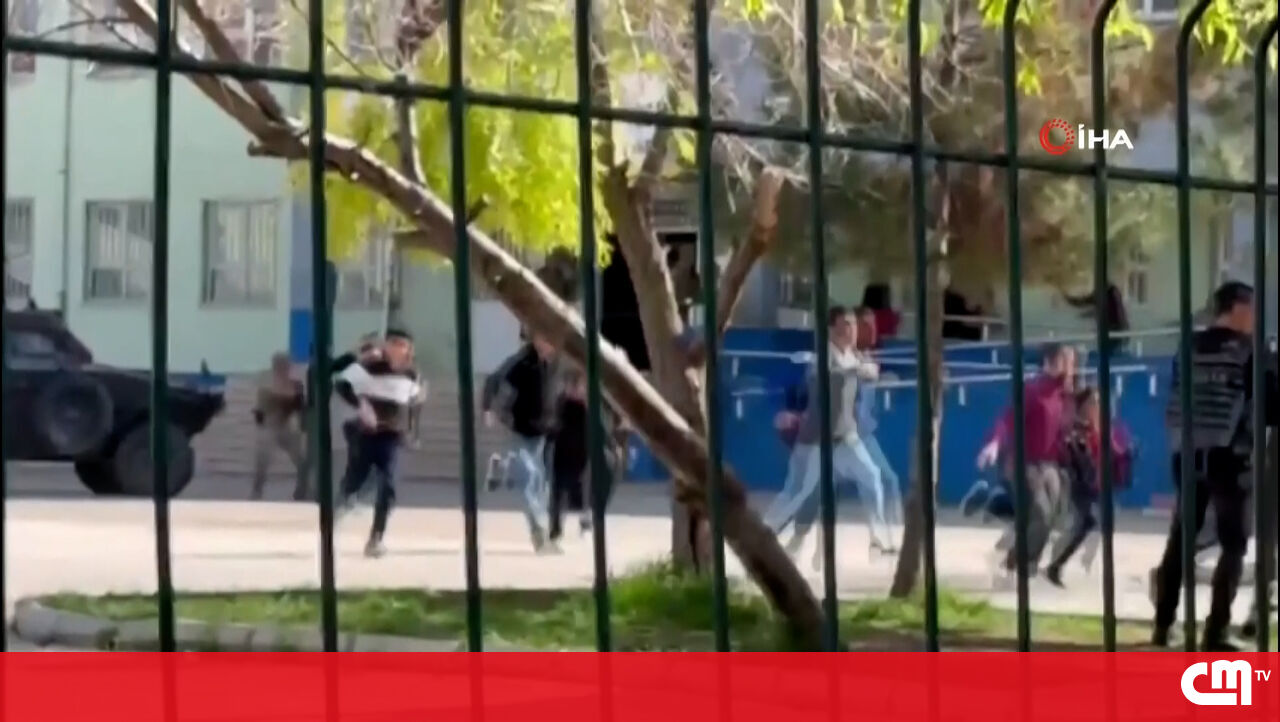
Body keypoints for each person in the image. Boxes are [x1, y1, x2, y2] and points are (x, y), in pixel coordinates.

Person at [1151, 281, 1277, 650]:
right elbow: (1271, 405)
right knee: (1233, 545)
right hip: (1231, 456)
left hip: (1187, 452)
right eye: (1252, 309)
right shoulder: (1249, 351)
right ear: (1238, 308)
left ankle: (1163, 627)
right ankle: (1215, 633)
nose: (1255, 317)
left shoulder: (1187, 347)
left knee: (1181, 539)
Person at [763, 306, 889, 569]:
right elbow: (822, 374)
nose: (851, 330)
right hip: (815, 440)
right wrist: (852, 370)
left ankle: (877, 538)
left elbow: (871, 372)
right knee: (797, 492)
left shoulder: (855, 356)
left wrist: (864, 368)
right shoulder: (822, 357)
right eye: (845, 325)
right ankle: (764, 535)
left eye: (853, 325)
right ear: (832, 329)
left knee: (872, 477)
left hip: (846, 438)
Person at [972, 342, 1077, 575]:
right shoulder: (1033, 390)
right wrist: (994, 443)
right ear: (1050, 362)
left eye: (1071, 363)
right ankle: (1018, 563)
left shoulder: (1065, 396)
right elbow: (1008, 418)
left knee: (1051, 518)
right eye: (1066, 361)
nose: (1070, 367)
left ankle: (1021, 561)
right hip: (1025, 463)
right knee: (1041, 512)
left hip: (1050, 465)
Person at [334, 329, 422, 558]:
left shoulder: (412, 374)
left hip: (392, 435)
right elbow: (341, 384)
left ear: (409, 350)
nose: (396, 348)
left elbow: (414, 403)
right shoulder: (369, 366)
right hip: (366, 433)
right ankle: (338, 511)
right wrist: (361, 405)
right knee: (355, 479)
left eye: (401, 345)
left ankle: (376, 538)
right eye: (393, 343)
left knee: (388, 484)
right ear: (386, 346)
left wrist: (413, 432)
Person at [1044, 387, 1133, 587]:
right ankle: (1053, 564)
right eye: (1093, 402)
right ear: (1083, 406)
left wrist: (1125, 452)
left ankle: (1059, 564)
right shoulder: (1075, 428)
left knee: (1093, 524)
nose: (1098, 406)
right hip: (1076, 484)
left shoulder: (1100, 428)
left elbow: (1114, 451)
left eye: (1099, 402)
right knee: (1085, 522)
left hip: (1095, 485)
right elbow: (1068, 453)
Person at [482, 330, 560, 553]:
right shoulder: (520, 363)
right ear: (536, 339)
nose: (550, 347)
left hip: (541, 432)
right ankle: (538, 534)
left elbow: (549, 396)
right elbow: (493, 381)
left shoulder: (549, 365)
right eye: (546, 340)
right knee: (528, 478)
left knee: (540, 483)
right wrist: (489, 409)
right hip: (519, 430)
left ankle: (501, 465)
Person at [250, 352, 309, 501]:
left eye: (285, 365)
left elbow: (300, 407)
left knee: (301, 461)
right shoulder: (267, 386)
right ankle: (257, 492)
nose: (284, 368)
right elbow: (259, 412)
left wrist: (302, 424)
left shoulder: (295, 385)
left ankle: (302, 491)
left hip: (286, 425)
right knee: (262, 461)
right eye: (281, 365)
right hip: (270, 426)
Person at [1064, 283, 1130, 357]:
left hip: (1114, 332)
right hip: (1121, 331)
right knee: (1113, 353)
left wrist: (1067, 298)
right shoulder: (1113, 292)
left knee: (1109, 353)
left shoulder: (1104, 293)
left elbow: (1083, 303)